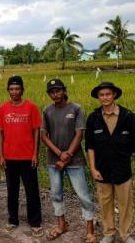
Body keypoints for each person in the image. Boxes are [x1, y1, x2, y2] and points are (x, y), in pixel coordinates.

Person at [85, 82, 135, 243]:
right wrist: (93, 168)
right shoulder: (93, 118)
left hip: (122, 169)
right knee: (105, 203)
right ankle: (109, 233)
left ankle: (125, 234)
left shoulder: (128, 116)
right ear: (98, 98)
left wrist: (125, 153)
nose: (105, 97)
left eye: (108, 94)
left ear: (114, 95)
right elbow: (89, 146)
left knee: (125, 203)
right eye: (101, 95)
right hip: (101, 169)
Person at [41, 78, 96, 242]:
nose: (55, 94)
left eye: (58, 90)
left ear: (64, 90)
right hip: (54, 160)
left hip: (75, 161)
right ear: (49, 94)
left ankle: (90, 231)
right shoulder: (47, 111)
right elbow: (44, 135)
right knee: (56, 194)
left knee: (83, 195)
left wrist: (67, 156)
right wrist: (59, 153)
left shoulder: (76, 108)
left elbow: (80, 134)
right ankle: (61, 225)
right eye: (52, 91)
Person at [0, 75, 43, 236]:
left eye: (17, 88)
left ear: (22, 90)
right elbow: (0, 133)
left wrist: (35, 154)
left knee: (32, 190)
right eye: (11, 89)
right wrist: (1, 155)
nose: (14, 92)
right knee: (12, 190)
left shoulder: (31, 107)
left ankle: (35, 221)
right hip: (9, 157)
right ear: (8, 90)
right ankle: (12, 219)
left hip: (28, 156)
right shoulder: (2, 109)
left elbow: (36, 131)